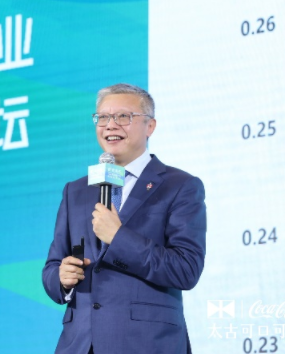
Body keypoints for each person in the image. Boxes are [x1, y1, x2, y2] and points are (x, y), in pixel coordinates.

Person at [42, 83, 207, 354]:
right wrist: (61, 277)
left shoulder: (179, 186)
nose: (110, 125)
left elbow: (186, 269)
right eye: (103, 117)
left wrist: (119, 238)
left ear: (150, 126)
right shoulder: (76, 190)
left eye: (123, 116)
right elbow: (52, 266)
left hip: (146, 343)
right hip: (80, 345)